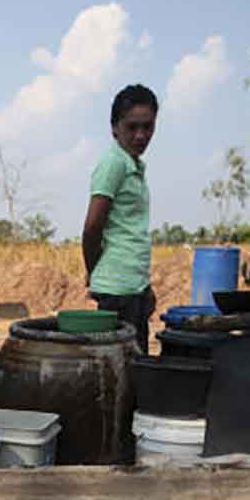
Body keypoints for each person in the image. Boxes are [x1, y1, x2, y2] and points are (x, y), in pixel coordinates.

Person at [82, 84, 157, 352]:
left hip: (132, 286)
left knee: (135, 371)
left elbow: (129, 231)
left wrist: (144, 286)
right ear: (115, 128)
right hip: (117, 291)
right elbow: (92, 227)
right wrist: (94, 270)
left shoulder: (132, 164)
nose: (140, 135)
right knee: (124, 373)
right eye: (132, 127)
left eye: (147, 127)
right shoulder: (113, 164)